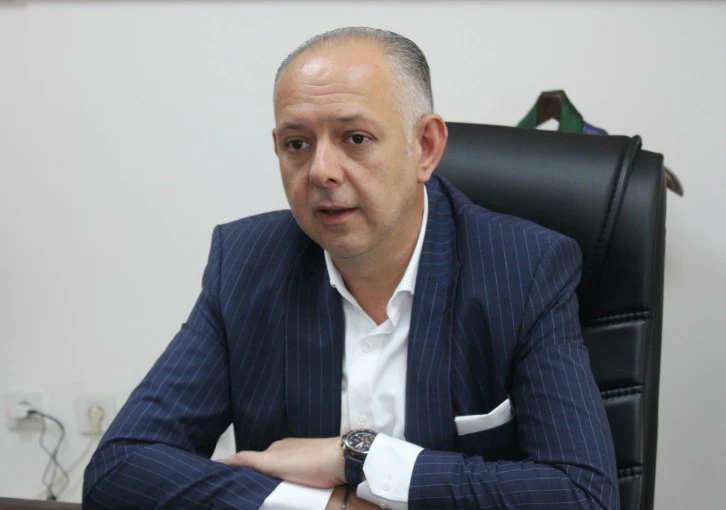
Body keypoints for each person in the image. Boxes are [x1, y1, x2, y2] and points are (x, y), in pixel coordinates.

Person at [83, 27, 619, 509]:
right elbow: (119, 469)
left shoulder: (524, 270)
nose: (321, 171)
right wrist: (327, 508)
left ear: (425, 147)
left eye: (355, 138)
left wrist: (357, 456)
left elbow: (583, 496)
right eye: (297, 144)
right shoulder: (246, 263)